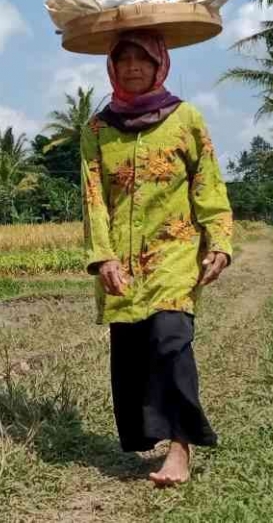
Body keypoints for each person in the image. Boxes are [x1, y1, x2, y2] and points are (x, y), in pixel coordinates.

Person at [80, 30, 233, 487]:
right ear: (112, 67)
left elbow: (209, 184)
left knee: (170, 340)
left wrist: (220, 242)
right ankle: (151, 435)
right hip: (122, 261)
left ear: (159, 64)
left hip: (175, 253)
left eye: (142, 59)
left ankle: (180, 447)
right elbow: (93, 200)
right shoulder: (97, 130)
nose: (132, 67)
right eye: (123, 59)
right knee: (133, 353)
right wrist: (103, 258)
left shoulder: (186, 119)